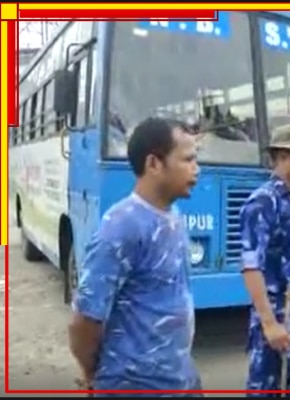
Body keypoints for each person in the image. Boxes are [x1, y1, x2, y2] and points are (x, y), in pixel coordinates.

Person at [68, 118, 202, 395]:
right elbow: (85, 321)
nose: (196, 169)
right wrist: (94, 372)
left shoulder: (173, 217)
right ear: (154, 164)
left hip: (181, 379)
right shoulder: (121, 226)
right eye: (188, 160)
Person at [240, 124, 290, 396]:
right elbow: (251, 266)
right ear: (283, 157)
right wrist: (268, 324)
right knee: (268, 389)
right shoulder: (263, 202)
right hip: (279, 317)